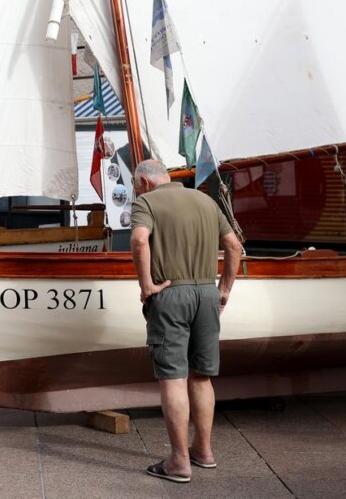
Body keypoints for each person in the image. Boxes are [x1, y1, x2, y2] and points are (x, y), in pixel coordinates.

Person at [130, 159, 242, 484]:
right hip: (206, 293)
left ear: (144, 182)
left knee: (174, 379)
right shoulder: (206, 200)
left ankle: (179, 461)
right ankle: (203, 451)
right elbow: (234, 245)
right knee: (202, 377)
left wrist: (146, 285)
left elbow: (138, 240)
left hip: (170, 295)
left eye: (137, 185)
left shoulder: (146, 202)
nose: (137, 190)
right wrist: (223, 289)